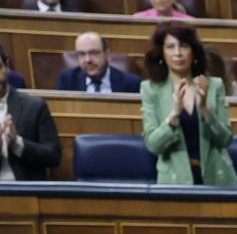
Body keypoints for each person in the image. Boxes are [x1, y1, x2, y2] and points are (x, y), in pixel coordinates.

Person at [140, 25, 237, 185]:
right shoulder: (151, 89)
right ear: (162, 53)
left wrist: (205, 109)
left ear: (194, 52)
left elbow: (225, 139)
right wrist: (174, 115)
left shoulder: (214, 85)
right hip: (174, 181)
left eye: (184, 46)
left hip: (216, 178)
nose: (178, 53)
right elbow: (153, 146)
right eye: (170, 47)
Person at [0, 48, 61, 181]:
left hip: (23, 192)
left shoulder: (34, 106)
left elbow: (53, 156)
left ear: (7, 66)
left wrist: (17, 143)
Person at [58, 32, 143, 93]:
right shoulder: (67, 79)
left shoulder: (130, 83)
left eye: (93, 53)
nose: (88, 60)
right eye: (82, 54)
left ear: (107, 55)